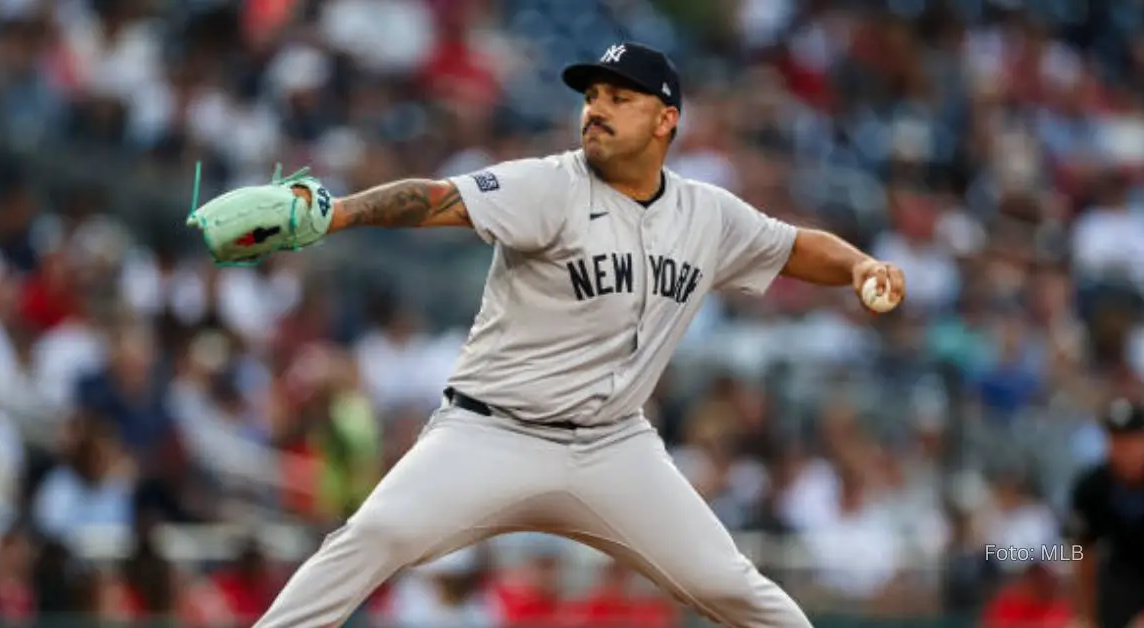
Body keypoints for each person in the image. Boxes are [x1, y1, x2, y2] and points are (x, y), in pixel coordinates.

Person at [189, 42, 906, 628]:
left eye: (618, 98)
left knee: (734, 589)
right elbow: (436, 199)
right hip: (489, 435)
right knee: (369, 540)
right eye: (591, 96)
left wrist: (862, 266)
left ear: (666, 120)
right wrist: (334, 214)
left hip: (614, 447)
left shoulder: (709, 215)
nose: (595, 110)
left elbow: (794, 246)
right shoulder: (550, 186)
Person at [1069, 398, 1144, 628]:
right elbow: (1083, 555)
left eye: (1129, 441)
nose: (1121, 450)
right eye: (1115, 441)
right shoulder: (1092, 487)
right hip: (1119, 579)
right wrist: (1087, 616)